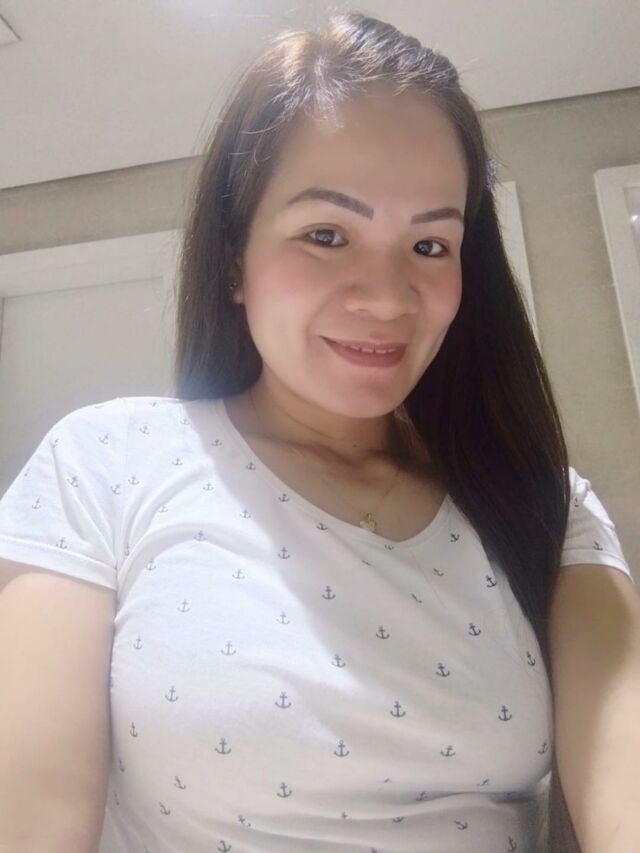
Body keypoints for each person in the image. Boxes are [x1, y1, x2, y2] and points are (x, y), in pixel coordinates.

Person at [0, 12, 634, 853]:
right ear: (234, 259)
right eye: (326, 234)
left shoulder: (550, 508)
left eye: (431, 244)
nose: (388, 297)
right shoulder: (107, 467)